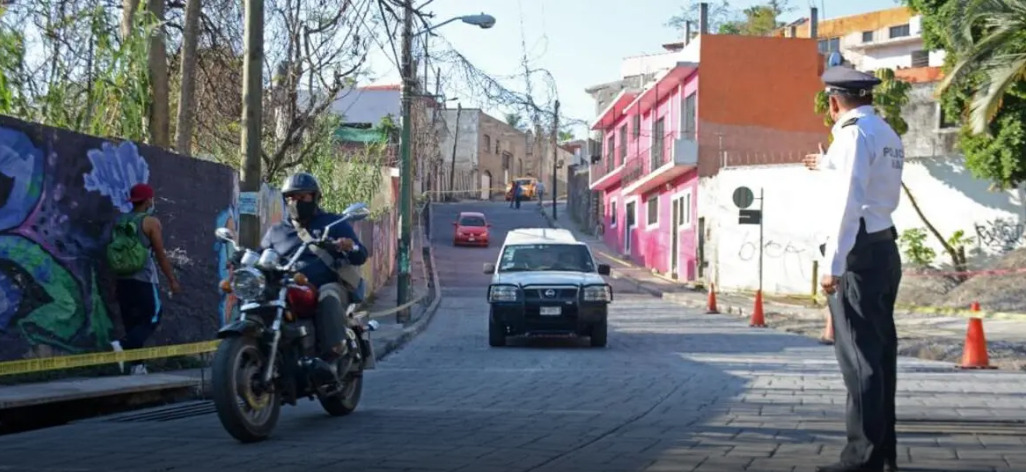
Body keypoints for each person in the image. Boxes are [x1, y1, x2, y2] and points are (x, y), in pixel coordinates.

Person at [804, 65, 904, 472]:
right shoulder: (885, 132)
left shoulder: (851, 136)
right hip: (884, 247)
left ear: (833, 103)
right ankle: (882, 453)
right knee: (880, 356)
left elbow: (848, 202)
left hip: (857, 252)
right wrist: (827, 164)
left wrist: (832, 264)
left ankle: (859, 459)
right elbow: (871, 184)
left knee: (858, 358)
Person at [260, 172, 368, 385]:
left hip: (327, 285)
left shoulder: (334, 222)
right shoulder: (277, 231)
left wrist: (349, 245)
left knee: (328, 295)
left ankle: (333, 354)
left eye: (303, 197)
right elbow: (261, 255)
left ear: (315, 198)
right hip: (289, 287)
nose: (296, 202)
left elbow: (361, 254)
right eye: (291, 197)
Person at [110, 183, 183, 375]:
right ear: (148, 200)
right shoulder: (151, 222)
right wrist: (172, 280)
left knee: (132, 322)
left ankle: (137, 366)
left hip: (122, 279)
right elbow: (160, 254)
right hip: (143, 279)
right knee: (153, 316)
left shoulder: (121, 221)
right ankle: (122, 345)